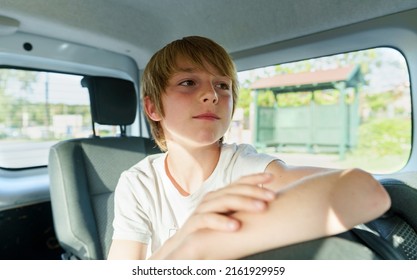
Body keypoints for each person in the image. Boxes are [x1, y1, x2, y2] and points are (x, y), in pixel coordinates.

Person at [107, 36, 391, 260]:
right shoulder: (139, 183)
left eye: (222, 85)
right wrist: (182, 249)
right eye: (188, 82)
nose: (211, 95)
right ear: (153, 107)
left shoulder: (246, 167)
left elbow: (365, 191)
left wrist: (204, 245)